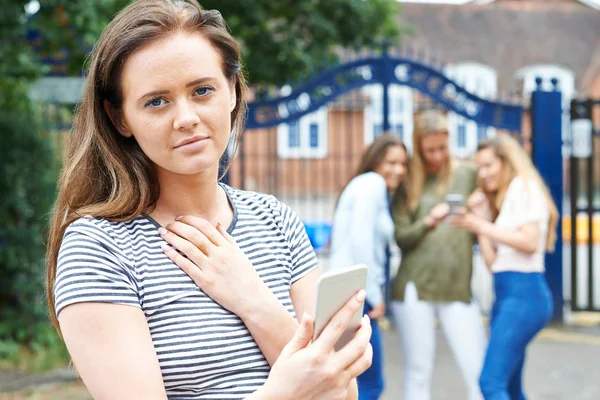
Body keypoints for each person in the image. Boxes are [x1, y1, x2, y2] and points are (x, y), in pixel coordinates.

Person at [45, 1, 373, 399]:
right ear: (121, 119)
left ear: (233, 91)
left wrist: (252, 298)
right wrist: (283, 392)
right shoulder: (99, 247)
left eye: (202, 90)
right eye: (157, 101)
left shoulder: (275, 221)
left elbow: (341, 393)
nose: (185, 117)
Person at [390, 110, 487, 400]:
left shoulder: (468, 175)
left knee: (478, 370)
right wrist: (428, 221)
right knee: (419, 372)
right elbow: (402, 238)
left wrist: (480, 203)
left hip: (457, 289)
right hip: (414, 288)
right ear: (419, 148)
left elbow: (493, 200)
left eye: (442, 147)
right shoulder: (409, 181)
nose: (437, 156)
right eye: (429, 150)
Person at [451, 134, 557, 400]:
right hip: (506, 296)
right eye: (479, 168)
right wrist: (480, 219)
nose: (483, 174)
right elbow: (494, 264)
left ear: (506, 162)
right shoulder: (507, 197)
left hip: (525, 296)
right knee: (509, 387)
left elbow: (531, 242)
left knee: (490, 383)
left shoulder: (524, 186)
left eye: (488, 166)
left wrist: (481, 225)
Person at [329, 134, 408, 400]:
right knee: (369, 383)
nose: (398, 170)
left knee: (352, 381)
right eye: (392, 162)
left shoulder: (365, 186)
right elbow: (361, 242)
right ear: (375, 160)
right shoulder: (372, 184)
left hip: (348, 292)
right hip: (357, 295)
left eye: (403, 164)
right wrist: (374, 296)